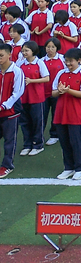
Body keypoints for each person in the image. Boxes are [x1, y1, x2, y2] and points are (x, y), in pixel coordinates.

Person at [52, 48, 81, 179]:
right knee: (64, 141)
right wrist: (60, 91)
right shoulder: (61, 73)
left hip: (76, 113)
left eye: (71, 61)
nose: (68, 64)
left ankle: (80, 168)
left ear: (79, 61)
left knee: (76, 141)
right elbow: (53, 92)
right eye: (66, 61)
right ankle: (68, 167)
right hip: (61, 112)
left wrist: (69, 91)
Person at [0, 44, 26, 178]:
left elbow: (18, 92)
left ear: (9, 54)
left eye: (1, 56)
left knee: (10, 140)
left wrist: (4, 105)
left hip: (10, 112)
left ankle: (7, 165)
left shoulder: (16, 71)